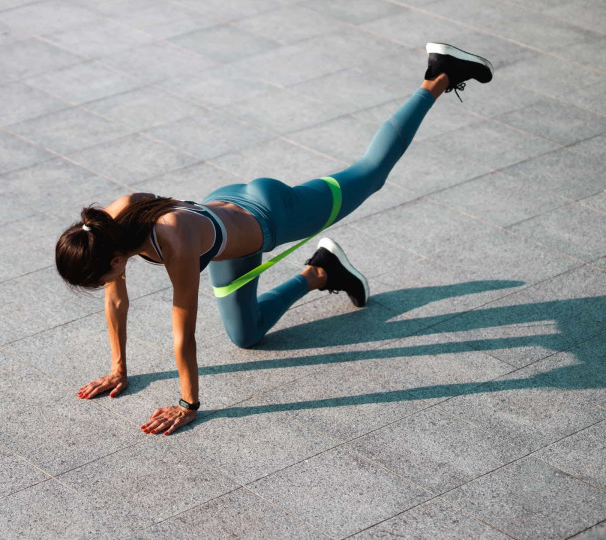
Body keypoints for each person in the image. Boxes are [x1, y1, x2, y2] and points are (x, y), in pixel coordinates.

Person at [55, 43, 493, 435]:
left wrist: (188, 403)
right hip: (224, 226)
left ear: (113, 258)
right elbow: (116, 298)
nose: (105, 286)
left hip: (272, 213)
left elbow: (183, 332)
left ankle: (439, 75)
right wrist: (118, 370)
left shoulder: (175, 244)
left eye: (99, 279)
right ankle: (322, 271)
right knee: (246, 335)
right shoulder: (108, 226)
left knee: (370, 173)